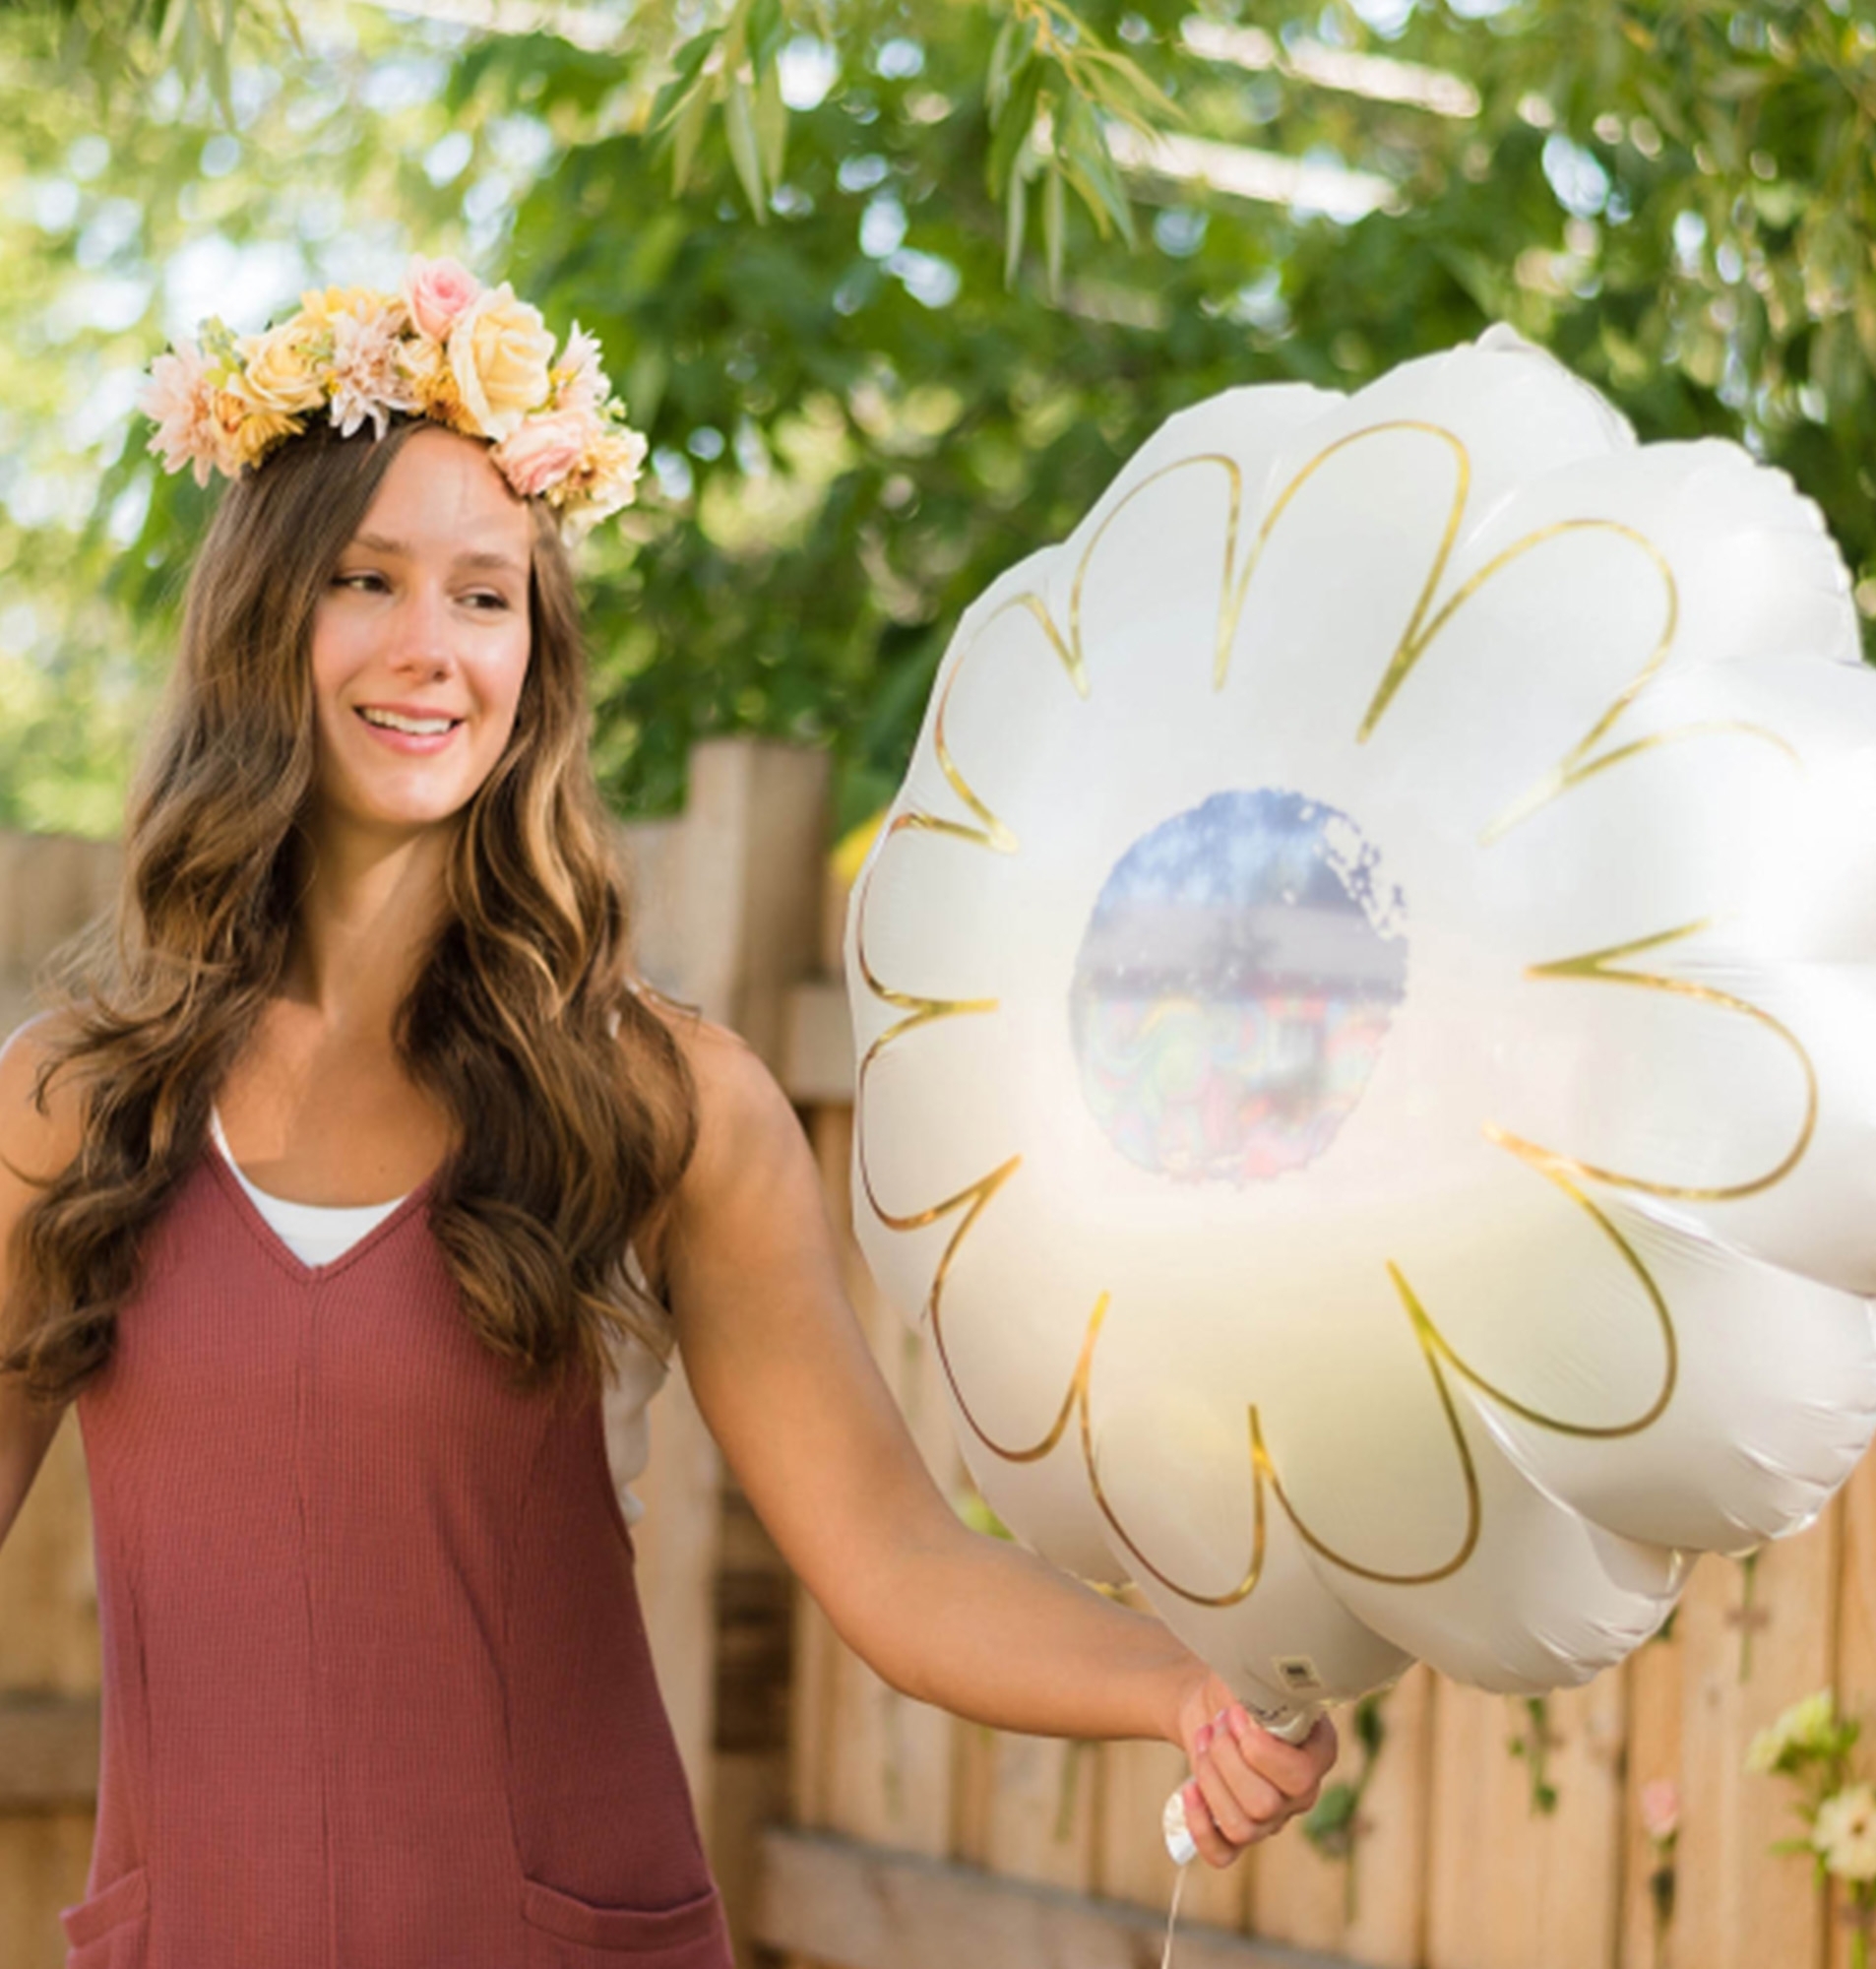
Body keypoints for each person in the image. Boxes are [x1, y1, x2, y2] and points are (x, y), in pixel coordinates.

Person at [0, 264, 1337, 1967]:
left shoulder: (658, 1100)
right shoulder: (72, 1106)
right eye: (367, 581)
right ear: (265, 618)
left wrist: (1186, 1691)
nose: (431, 649)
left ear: (536, 655)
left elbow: (897, 1563)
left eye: (486, 598)